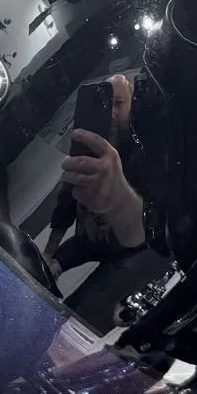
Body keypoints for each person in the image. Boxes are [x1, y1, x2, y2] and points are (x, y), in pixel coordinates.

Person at [43, 74, 146, 277]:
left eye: (119, 104)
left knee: (88, 297)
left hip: (127, 254)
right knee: (43, 273)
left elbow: (151, 221)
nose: (112, 114)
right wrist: (48, 253)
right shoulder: (90, 148)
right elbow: (66, 202)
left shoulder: (145, 153)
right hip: (86, 241)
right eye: (105, 106)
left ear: (133, 105)